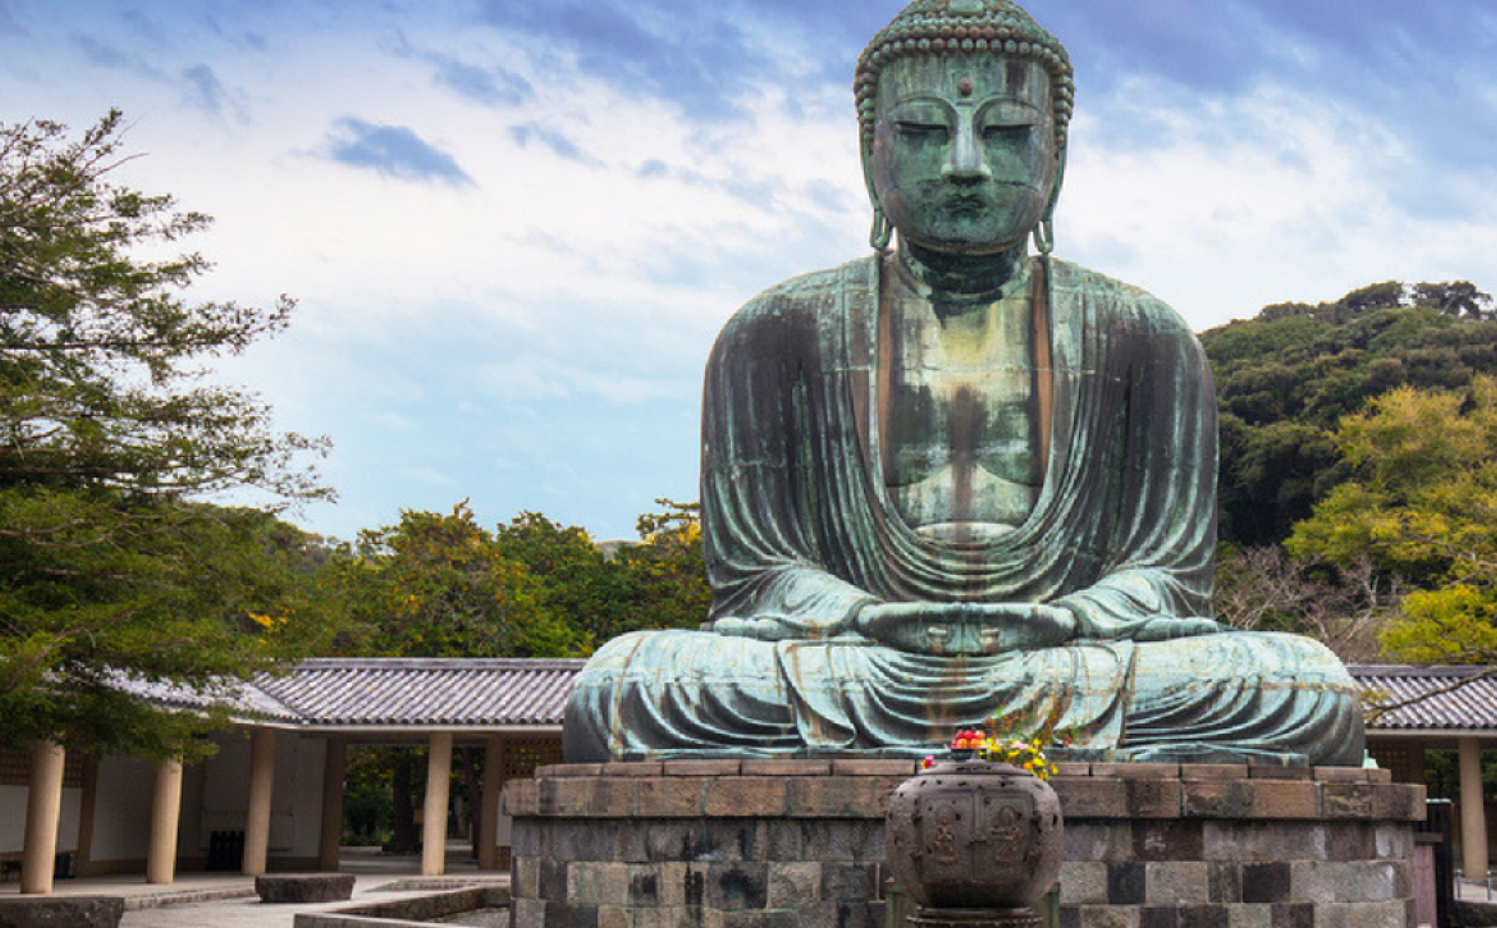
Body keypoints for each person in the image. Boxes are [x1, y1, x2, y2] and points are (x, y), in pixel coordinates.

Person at [563, 0, 1363, 764]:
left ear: (1057, 156)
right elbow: (758, 576)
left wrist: (1066, 619)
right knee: (624, 687)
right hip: (859, 659)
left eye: (1008, 133)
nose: (965, 165)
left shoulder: (1145, 335)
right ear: (870, 152)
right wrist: (864, 615)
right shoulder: (773, 331)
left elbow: (1169, 578)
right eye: (921, 131)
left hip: (1066, 661)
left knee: (1305, 688)